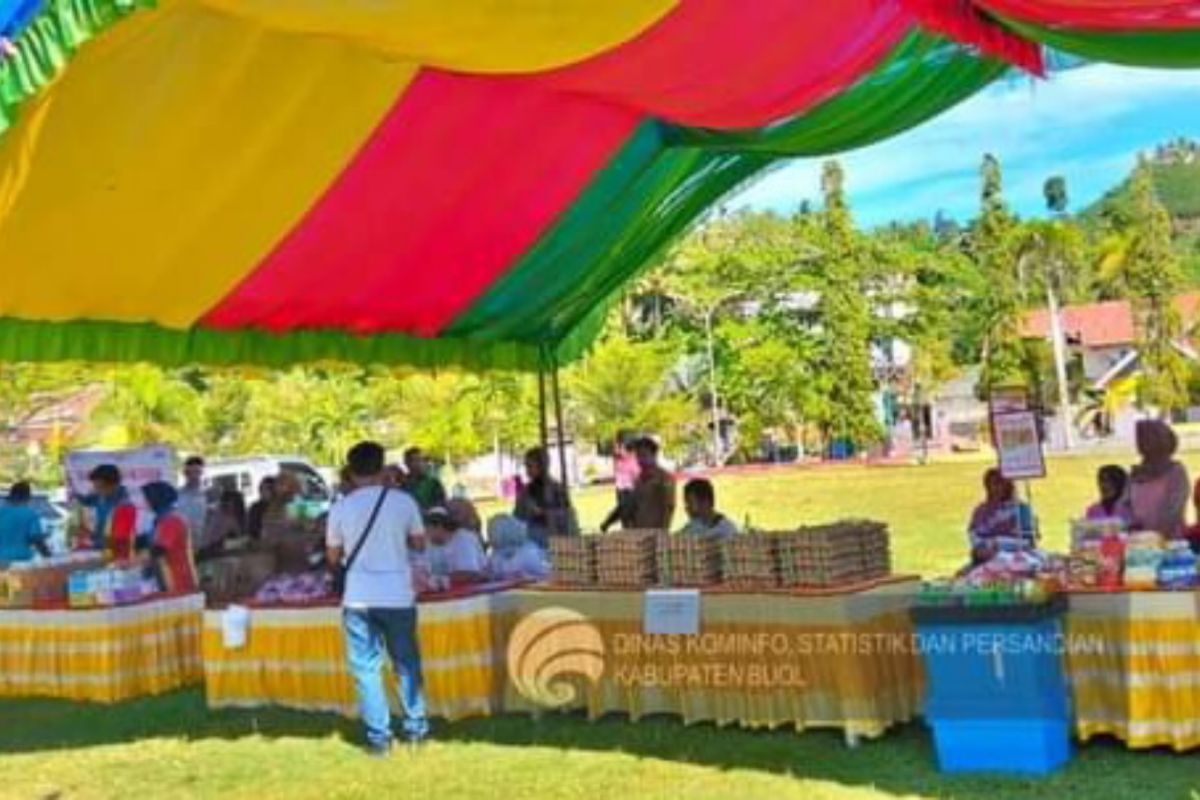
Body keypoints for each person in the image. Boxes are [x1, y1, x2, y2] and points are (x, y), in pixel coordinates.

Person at [326, 441, 429, 755]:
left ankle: (379, 737)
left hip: (358, 597)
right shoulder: (403, 502)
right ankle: (415, 728)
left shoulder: (341, 508)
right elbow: (420, 544)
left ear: (350, 470)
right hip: (398, 594)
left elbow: (333, 556)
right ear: (382, 466)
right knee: (406, 664)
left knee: (366, 669)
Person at [1129, 419, 1190, 539]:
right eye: (1140, 439)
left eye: (1147, 439)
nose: (1141, 444)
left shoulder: (1176, 472)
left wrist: (1155, 537)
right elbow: (1125, 506)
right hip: (1138, 542)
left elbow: (1173, 510)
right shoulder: (1136, 473)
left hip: (1169, 542)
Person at [967, 468, 1036, 565]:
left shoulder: (1021, 509)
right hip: (985, 557)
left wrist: (999, 544)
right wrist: (985, 546)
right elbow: (973, 535)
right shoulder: (981, 510)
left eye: (1001, 483)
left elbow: (1029, 541)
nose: (997, 488)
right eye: (994, 483)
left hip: (1015, 557)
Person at [604, 437, 675, 532]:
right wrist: (608, 522)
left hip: (656, 534)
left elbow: (669, 507)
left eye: (644, 455)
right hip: (638, 533)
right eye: (638, 456)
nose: (640, 459)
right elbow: (628, 505)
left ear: (654, 455)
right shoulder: (639, 480)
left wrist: (662, 532)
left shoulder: (664, 478)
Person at [141, 482, 198, 593]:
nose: (144, 502)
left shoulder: (170, 520)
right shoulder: (162, 520)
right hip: (170, 577)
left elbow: (159, 550)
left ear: (155, 499)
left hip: (177, 579)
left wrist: (131, 562)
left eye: (146, 498)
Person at [513, 447, 573, 546]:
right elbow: (516, 519)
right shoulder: (525, 492)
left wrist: (542, 513)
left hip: (554, 544)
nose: (526, 470)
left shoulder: (557, 489)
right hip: (530, 543)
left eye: (530, 466)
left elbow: (567, 519)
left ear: (542, 466)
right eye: (526, 466)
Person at [77, 464, 139, 559]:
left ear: (114, 484)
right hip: (100, 548)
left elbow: (120, 540)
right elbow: (86, 501)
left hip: (117, 555)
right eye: (95, 486)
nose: (96, 490)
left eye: (99, 487)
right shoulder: (101, 496)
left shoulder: (125, 506)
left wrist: (94, 543)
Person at [424, 506, 487, 585]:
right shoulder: (429, 543)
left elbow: (471, 574)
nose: (425, 532)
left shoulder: (463, 538)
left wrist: (441, 580)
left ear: (439, 526)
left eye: (428, 528)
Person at [487, 515, 549, 581]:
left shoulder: (529, 552)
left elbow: (546, 575)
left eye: (491, 532)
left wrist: (527, 577)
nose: (489, 537)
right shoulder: (495, 555)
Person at [0, 482, 50, 563]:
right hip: (22, 561)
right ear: (27, 497)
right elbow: (36, 539)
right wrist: (48, 556)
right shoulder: (30, 514)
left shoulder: (1, 512)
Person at [600, 437, 639, 532]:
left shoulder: (633, 459)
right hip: (623, 489)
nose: (620, 450)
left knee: (626, 510)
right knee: (624, 510)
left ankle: (607, 523)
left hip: (632, 489)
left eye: (622, 448)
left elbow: (637, 474)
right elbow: (610, 451)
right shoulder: (619, 459)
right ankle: (609, 524)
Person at [198, 489, 246, 560]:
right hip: (209, 550)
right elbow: (241, 539)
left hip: (203, 549)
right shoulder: (229, 518)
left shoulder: (212, 511)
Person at [178, 456, 210, 540]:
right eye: (190, 472)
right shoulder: (178, 494)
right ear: (185, 473)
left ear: (202, 473)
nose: (194, 476)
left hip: (205, 541)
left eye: (197, 472)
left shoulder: (209, 493)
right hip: (183, 539)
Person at [246, 477, 276, 541]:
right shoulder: (255, 508)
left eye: (271, 488)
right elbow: (252, 529)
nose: (268, 492)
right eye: (265, 489)